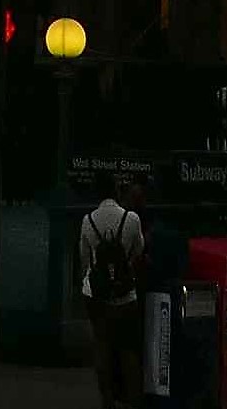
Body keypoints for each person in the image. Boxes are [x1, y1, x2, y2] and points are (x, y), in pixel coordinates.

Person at [77, 174, 146, 409]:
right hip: (126, 295)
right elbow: (139, 250)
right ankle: (133, 399)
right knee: (129, 350)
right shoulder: (131, 219)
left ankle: (107, 401)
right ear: (117, 191)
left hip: (97, 295)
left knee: (102, 346)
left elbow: (84, 258)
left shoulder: (88, 221)